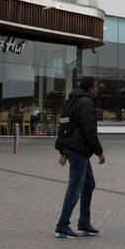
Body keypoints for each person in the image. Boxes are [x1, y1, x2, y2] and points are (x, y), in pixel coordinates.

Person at [54, 77, 104, 238]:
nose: (97, 89)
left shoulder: (71, 101)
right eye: (96, 86)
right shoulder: (86, 102)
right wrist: (99, 152)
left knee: (88, 184)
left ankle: (84, 223)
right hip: (78, 149)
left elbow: (63, 125)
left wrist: (62, 149)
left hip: (73, 148)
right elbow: (89, 129)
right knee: (75, 188)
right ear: (89, 88)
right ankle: (62, 225)